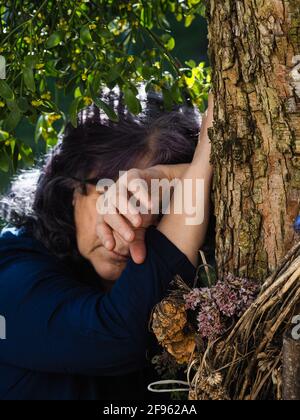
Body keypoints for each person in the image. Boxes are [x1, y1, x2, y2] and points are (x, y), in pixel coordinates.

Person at [0, 88, 214, 400]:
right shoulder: (10, 271)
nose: (129, 225)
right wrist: (202, 162)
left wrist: (174, 176)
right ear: (72, 189)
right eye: (108, 193)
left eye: (155, 204)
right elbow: (115, 336)